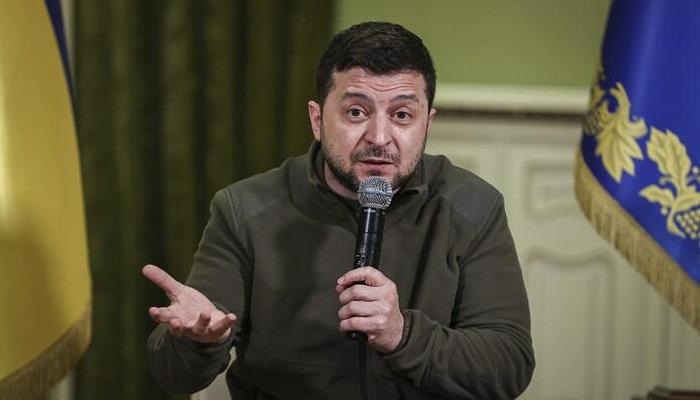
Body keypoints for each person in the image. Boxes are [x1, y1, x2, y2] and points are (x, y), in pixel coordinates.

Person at [145, 21, 534, 399]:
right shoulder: (243, 209)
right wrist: (198, 344)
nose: (379, 138)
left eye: (401, 115)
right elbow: (174, 376)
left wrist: (402, 335)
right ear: (317, 120)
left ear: (426, 123)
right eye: (356, 113)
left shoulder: (473, 206)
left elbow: (509, 366)